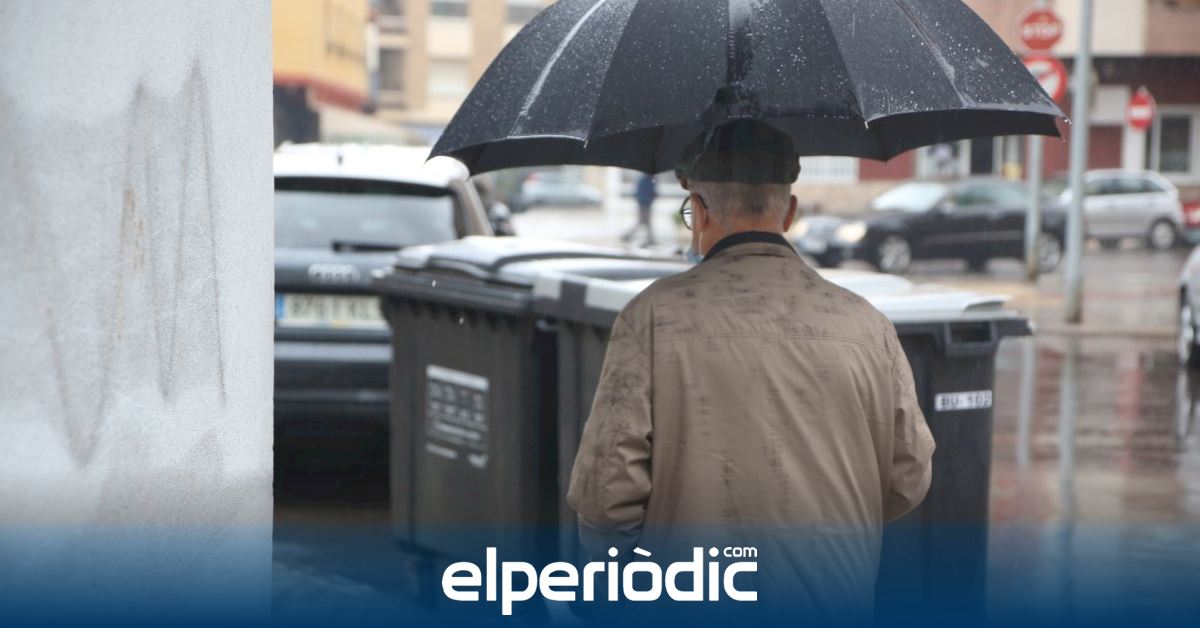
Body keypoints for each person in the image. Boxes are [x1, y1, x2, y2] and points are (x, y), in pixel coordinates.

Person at [567, 120, 935, 622]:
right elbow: (908, 477)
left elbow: (606, 496)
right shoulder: (868, 326)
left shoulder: (650, 318)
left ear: (698, 213)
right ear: (790, 211)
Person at [621, 173, 658, 246]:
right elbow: (642, 193)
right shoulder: (645, 180)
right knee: (642, 221)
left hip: (647, 203)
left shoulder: (651, 180)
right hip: (644, 204)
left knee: (646, 222)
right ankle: (627, 236)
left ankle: (650, 239)